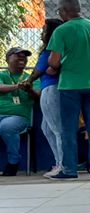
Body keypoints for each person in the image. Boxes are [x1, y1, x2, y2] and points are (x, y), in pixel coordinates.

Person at [42, 0, 90, 181]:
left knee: (68, 129)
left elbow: (54, 62)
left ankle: (69, 170)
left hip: (71, 85)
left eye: (59, 11)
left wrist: (62, 65)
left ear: (64, 11)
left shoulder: (62, 31)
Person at [24, 17, 63, 174]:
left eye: (44, 31)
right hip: (50, 88)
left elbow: (38, 70)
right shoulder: (56, 50)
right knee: (46, 128)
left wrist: (29, 80)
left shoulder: (50, 51)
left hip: (52, 89)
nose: (41, 34)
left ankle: (63, 165)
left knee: (57, 128)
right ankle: (59, 162)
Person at [0, 46, 33, 176]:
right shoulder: (1, 75)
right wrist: (18, 86)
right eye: (17, 55)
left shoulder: (31, 78)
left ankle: (13, 162)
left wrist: (29, 89)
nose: (22, 57)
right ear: (8, 59)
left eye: (24, 56)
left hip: (19, 117)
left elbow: (38, 96)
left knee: (7, 126)